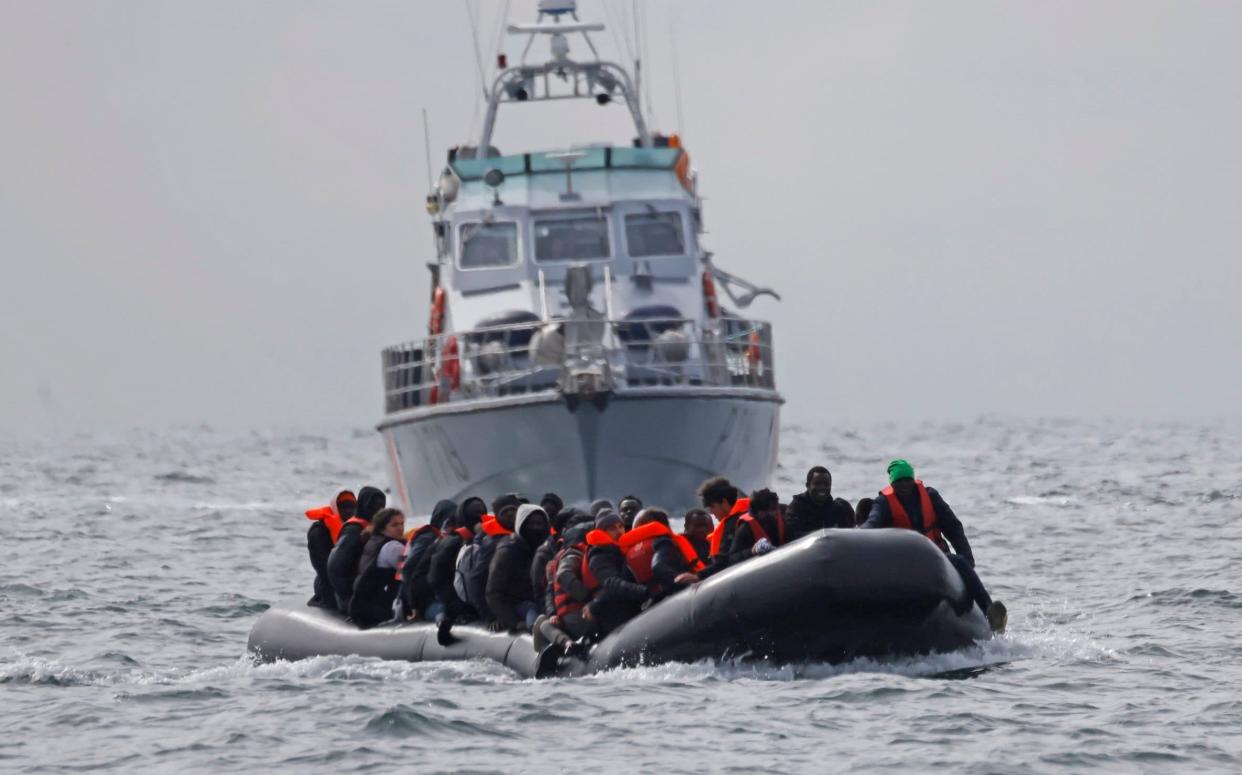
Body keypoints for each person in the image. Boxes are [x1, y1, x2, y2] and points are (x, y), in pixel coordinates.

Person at [863, 459, 1007, 632]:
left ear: (913, 479)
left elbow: (953, 527)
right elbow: (872, 523)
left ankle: (989, 612)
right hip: (905, 563)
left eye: (908, 479)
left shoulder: (930, 496)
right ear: (892, 483)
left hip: (937, 557)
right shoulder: (883, 503)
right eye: (899, 481)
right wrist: (857, 534)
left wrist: (968, 558)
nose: (905, 484)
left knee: (960, 563)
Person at [459, 493, 526, 625]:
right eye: (506, 512)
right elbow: (476, 581)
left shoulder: (528, 533)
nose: (511, 515)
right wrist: (490, 617)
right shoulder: (492, 544)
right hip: (509, 606)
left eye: (514, 510)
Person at [486, 504, 552, 632]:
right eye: (531, 524)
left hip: (541, 601)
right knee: (531, 609)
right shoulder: (507, 552)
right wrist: (513, 621)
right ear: (521, 525)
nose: (536, 528)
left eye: (540, 524)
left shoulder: (546, 550)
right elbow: (493, 592)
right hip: (517, 605)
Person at [583, 511, 650, 637]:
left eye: (620, 526)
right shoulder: (599, 555)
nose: (619, 531)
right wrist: (644, 592)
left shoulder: (621, 549)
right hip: (615, 614)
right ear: (602, 532)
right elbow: (611, 583)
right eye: (612, 529)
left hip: (632, 606)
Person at [620, 508, 705, 600]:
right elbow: (658, 567)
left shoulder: (628, 555)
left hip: (650, 603)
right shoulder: (662, 542)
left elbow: (626, 580)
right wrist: (683, 584)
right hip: (672, 596)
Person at [427, 496, 486, 628]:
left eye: (482, 513)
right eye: (474, 514)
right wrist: (457, 608)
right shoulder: (452, 542)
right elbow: (436, 578)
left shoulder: (483, 539)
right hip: (453, 603)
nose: (479, 518)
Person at [326, 485, 384, 612]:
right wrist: (351, 598)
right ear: (364, 505)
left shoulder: (378, 529)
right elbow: (335, 568)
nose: (378, 511)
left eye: (381, 507)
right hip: (349, 596)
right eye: (374, 506)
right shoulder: (353, 531)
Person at [396, 499, 456, 621]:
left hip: (425, 590)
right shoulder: (428, 538)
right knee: (441, 609)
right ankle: (442, 621)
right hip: (415, 596)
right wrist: (413, 606)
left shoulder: (442, 538)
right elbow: (408, 569)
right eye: (450, 520)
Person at [348, 508, 406, 629]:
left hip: (360, 606)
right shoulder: (392, 547)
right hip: (376, 610)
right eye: (394, 525)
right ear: (383, 528)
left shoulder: (373, 541)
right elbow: (410, 571)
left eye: (402, 524)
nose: (400, 528)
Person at [305, 490, 355, 608]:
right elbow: (322, 567)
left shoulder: (356, 530)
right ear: (335, 507)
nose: (349, 511)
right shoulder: (319, 532)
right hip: (327, 585)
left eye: (352, 506)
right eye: (343, 506)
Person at [784, 466, 855, 540]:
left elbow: (847, 536)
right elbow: (791, 535)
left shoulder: (838, 509)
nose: (822, 487)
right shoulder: (797, 508)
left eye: (826, 484)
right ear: (808, 486)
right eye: (818, 484)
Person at [697, 476, 750, 562]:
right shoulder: (750, 514)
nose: (711, 512)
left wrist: (698, 575)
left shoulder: (733, 526)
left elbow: (724, 562)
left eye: (712, 506)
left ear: (724, 502)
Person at [727, 488, 785, 565]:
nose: (777, 512)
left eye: (777, 507)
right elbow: (732, 558)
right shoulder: (746, 528)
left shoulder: (783, 512)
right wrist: (752, 551)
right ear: (761, 513)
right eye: (773, 509)